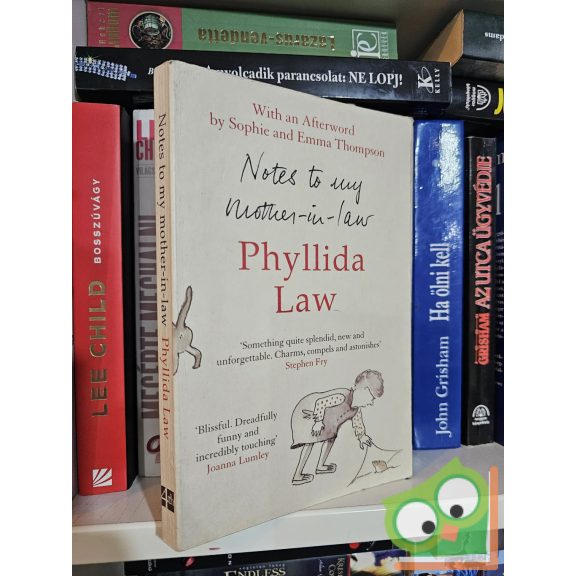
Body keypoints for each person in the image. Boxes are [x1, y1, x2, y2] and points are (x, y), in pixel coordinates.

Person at [290, 369, 384, 485]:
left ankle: (320, 466)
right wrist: (318, 422)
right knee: (309, 441)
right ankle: (297, 475)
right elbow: (320, 403)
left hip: (327, 421)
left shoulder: (356, 409)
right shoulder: (342, 397)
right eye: (371, 398)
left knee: (331, 438)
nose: (371, 403)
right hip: (310, 413)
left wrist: (362, 436)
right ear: (362, 391)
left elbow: (358, 423)